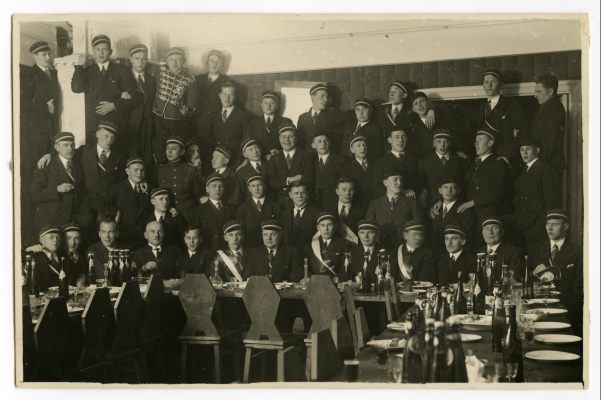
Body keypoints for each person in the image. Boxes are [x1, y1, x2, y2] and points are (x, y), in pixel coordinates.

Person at [71, 34, 138, 149]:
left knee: (116, 155)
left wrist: (114, 105)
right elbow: (76, 88)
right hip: (94, 124)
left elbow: (134, 96)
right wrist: (79, 66)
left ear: (110, 51)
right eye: (97, 49)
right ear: (93, 51)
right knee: (95, 156)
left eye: (104, 49)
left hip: (116, 123)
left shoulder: (121, 70)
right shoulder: (87, 71)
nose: (101, 53)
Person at [529, 210, 583, 335]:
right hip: (538, 308)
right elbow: (525, 280)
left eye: (555, 224)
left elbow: (580, 287)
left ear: (565, 227)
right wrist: (533, 273)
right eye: (548, 224)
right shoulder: (535, 248)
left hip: (566, 309)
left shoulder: (577, 251)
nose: (550, 228)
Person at [30, 132, 85, 236]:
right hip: (51, 221)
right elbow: (34, 194)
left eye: (72, 145)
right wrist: (56, 189)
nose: (70, 149)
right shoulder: (45, 165)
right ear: (56, 147)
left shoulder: (78, 163)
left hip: (72, 221)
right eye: (65, 145)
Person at [512, 135, 561, 249]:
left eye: (528, 149)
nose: (524, 152)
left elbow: (551, 199)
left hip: (537, 224)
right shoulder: (524, 171)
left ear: (537, 150)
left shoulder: (544, 169)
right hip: (524, 224)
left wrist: (543, 223)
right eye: (522, 149)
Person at [20, 41, 60, 170]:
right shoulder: (29, 74)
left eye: (49, 54)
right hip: (36, 129)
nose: (48, 57)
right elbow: (24, 103)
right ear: (35, 56)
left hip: (52, 126)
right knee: (38, 166)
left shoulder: (54, 74)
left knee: (51, 163)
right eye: (44, 54)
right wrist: (45, 107)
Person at [477, 69, 529, 168]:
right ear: (483, 85)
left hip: (505, 158)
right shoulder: (482, 107)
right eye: (486, 82)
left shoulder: (512, 105)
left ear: (501, 84)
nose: (489, 85)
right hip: (487, 157)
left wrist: (507, 155)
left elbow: (521, 133)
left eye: (493, 82)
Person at [77, 120, 127, 219]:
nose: (109, 140)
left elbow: (122, 183)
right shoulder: (84, 151)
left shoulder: (119, 158)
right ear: (97, 134)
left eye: (112, 137)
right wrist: (49, 155)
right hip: (85, 206)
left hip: (107, 206)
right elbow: (66, 155)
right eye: (106, 136)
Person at [460, 125, 509, 225]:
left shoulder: (497, 163)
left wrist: (472, 202)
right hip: (473, 215)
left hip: (489, 214)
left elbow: (497, 191)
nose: (476, 143)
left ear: (490, 143)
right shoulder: (474, 165)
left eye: (480, 140)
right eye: (475, 141)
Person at [152, 47, 197, 149]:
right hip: (156, 114)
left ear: (184, 61)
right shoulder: (160, 72)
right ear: (167, 61)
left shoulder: (190, 80)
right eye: (171, 59)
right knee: (157, 144)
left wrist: (186, 111)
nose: (174, 63)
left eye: (178, 59)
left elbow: (191, 103)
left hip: (175, 119)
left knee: (173, 145)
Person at [365, 170, 421, 249]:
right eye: (395, 180)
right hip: (381, 247)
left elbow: (417, 227)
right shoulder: (374, 204)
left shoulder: (411, 203)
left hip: (404, 248)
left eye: (401, 180)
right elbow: (369, 228)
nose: (399, 183)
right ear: (385, 183)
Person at [417, 128, 467, 209]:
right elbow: (423, 186)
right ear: (434, 143)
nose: (442, 145)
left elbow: (462, 184)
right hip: (432, 205)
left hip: (454, 204)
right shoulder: (424, 162)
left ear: (450, 143)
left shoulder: (459, 161)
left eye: (445, 142)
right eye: (439, 141)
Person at [157, 135, 203, 224]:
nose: (169, 151)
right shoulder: (160, 170)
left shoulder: (191, 170)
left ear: (182, 152)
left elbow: (197, 196)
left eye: (174, 148)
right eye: (168, 148)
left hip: (188, 216)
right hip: (168, 215)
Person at [110, 157, 152, 248]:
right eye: (135, 170)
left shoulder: (148, 189)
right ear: (127, 171)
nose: (139, 173)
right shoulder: (117, 188)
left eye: (142, 170)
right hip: (122, 238)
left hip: (142, 239)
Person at [265, 124, 314, 204]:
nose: (287, 140)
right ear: (279, 139)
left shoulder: (306, 156)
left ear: (296, 138)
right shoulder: (274, 158)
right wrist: (288, 180)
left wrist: (302, 177)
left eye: (290, 136)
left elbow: (310, 179)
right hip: (280, 202)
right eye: (283, 137)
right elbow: (270, 181)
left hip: (301, 201)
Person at [127, 44, 158, 169]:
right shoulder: (124, 76)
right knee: (131, 157)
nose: (140, 62)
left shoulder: (152, 80)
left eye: (143, 59)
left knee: (147, 158)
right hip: (130, 125)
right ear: (130, 59)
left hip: (148, 125)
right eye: (137, 58)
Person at [531, 74, 567, 179]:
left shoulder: (553, 108)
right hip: (547, 164)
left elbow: (550, 140)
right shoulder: (547, 107)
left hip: (548, 165)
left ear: (550, 91)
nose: (535, 95)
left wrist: (539, 165)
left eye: (539, 92)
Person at [430, 175, 476, 255]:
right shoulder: (435, 209)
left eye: (453, 188)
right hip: (435, 254)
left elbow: (467, 236)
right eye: (446, 187)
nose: (449, 191)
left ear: (458, 190)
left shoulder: (464, 209)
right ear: (440, 190)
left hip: (454, 254)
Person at [246, 90, 293, 159]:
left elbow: (291, 143)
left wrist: (279, 153)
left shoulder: (286, 121)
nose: (268, 106)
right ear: (261, 105)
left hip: (280, 158)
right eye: (265, 103)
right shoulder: (254, 122)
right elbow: (248, 143)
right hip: (260, 159)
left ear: (277, 105)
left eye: (272, 103)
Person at [195, 174, 236, 252]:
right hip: (209, 250)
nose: (218, 189)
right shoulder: (199, 210)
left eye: (221, 186)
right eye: (214, 186)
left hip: (229, 250)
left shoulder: (232, 208)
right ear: (207, 189)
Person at [210, 81, 250, 159]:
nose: (227, 98)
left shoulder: (243, 116)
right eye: (224, 94)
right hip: (218, 160)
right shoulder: (213, 116)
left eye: (230, 95)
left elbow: (245, 142)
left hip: (235, 159)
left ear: (235, 96)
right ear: (220, 96)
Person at [296, 83, 341, 151]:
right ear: (313, 97)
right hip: (307, 155)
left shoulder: (332, 116)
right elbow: (299, 140)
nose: (325, 99)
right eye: (322, 96)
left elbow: (337, 139)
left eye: (326, 97)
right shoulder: (302, 118)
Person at [235, 175, 278, 247]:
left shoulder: (275, 206)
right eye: (253, 186)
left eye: (259, 185)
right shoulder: (242, 208)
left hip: (271, 246)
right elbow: (241, 231)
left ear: (264, 186)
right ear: (249, 188)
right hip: (250, 246)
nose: (256, 189)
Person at [373, 129, 418, 195]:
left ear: (407, 139)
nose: (400, 140)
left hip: (413, 199)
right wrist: (401, 191)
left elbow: (421, 184)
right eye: (397, 137)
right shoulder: (380, 162)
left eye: (403, 137)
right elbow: (377, 187)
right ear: (389, 140)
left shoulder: (415, 160)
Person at [478, 217, 525, 282]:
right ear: (482, 233)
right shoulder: (480, 252)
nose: (490, 232)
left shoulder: (514, 253)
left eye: (495, 228)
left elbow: (513, 280)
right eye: (486, 229)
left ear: (502, 232)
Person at [304, 212, 350, 276]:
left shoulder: (344, 244)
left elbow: (344, 270)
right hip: (315, 280)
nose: (326, 229)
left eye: (329, 225)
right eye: (323, 225)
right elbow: (306, 269)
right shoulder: (310, 245)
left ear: (335, 226)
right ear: (318, 227)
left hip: (336, 280)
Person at [279, 181, 320, 251]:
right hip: (288, 254)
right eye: (296, 193)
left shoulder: (316, 213)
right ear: (290, 195)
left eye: (303, 193)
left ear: (307, 194)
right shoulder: (284, 213)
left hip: (309, 253)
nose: (300, 196)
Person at [312, 133, 345, 210]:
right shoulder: (310, 161)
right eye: (319, 141)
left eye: (325, 141)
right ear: (313, 145)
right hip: (315, 204)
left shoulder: (340, 160)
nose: (323, 144)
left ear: (329, 143)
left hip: (334, 203)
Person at [329, 177, 364, 244]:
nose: (347, 193)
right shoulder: (328, 209)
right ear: (337, 191)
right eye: (344, 190)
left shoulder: (361, 211)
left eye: (351, 190)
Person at [344, 135, 376, 209]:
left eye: (364, 145)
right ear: (352, 150)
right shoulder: (347, 168)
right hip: (358, 205)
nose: (362, 148)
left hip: (376, 203)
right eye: (358, 146)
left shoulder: (376, 164)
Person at [349, 220, 385, 285]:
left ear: (377, 234)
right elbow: (345, 277)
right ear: (358, 234)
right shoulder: (352, 252)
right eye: (362, 232)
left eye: (370, 232)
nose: (366, 236)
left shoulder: (386, 253)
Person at [408, 91, 442, 158]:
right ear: (413, 109)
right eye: (416, 104)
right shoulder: (414, 127)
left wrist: (432, 110)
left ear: (428, 103)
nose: (420, 105)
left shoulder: (440, 120)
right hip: (426, 160)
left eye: (422, 101)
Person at [31, 226, 63, 291]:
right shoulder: (34, 258)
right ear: (41, 240)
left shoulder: (64, 256)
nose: (55, 240)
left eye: (58, 237)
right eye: (51, 237)